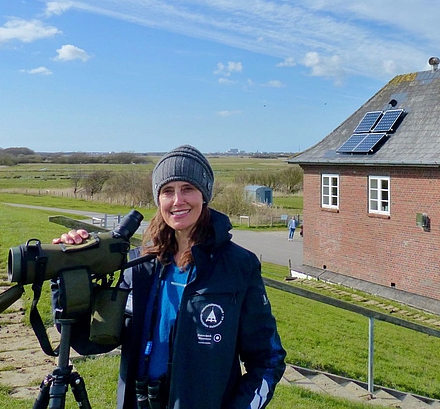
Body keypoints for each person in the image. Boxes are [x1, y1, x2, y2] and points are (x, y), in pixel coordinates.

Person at [51, 145, 286, 409]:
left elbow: (267, 360)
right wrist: (68, 273)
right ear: (158, 199)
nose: (178, 200)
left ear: (204, 195)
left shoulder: (239, 265)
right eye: (167, 191)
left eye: (188, 188)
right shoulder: (140, 263)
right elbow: (91, 341)